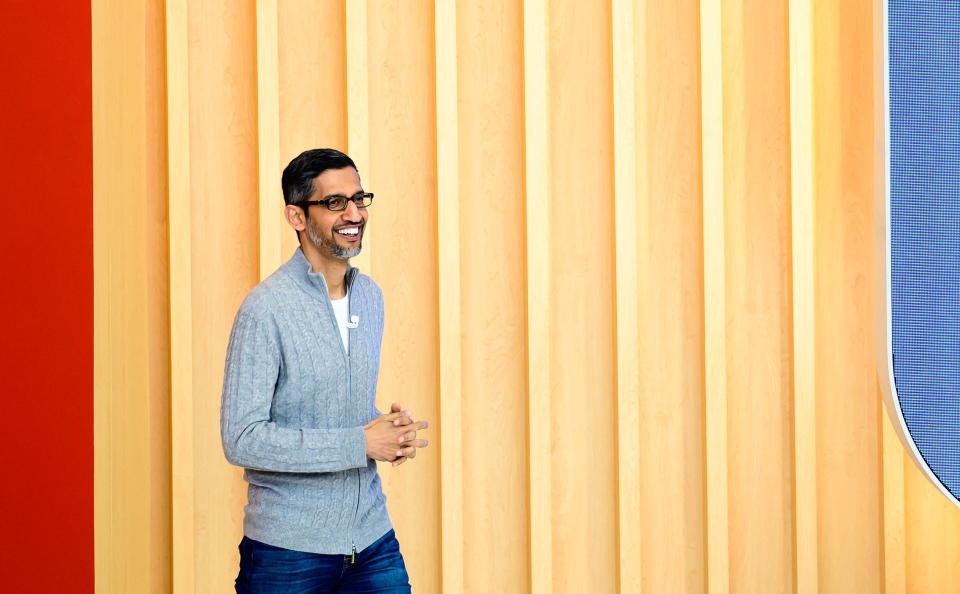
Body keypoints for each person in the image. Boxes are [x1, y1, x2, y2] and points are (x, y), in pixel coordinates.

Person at [220, 148, 429, 593]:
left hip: (371, 542)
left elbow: (327, 406)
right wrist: (361, 442)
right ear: (297, 216)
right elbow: (241, 438)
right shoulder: (265, 310)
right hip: (287, 553)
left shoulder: (370, 297)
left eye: (359, 198)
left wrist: (387, 433)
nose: (354, 213)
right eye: (335, 202)